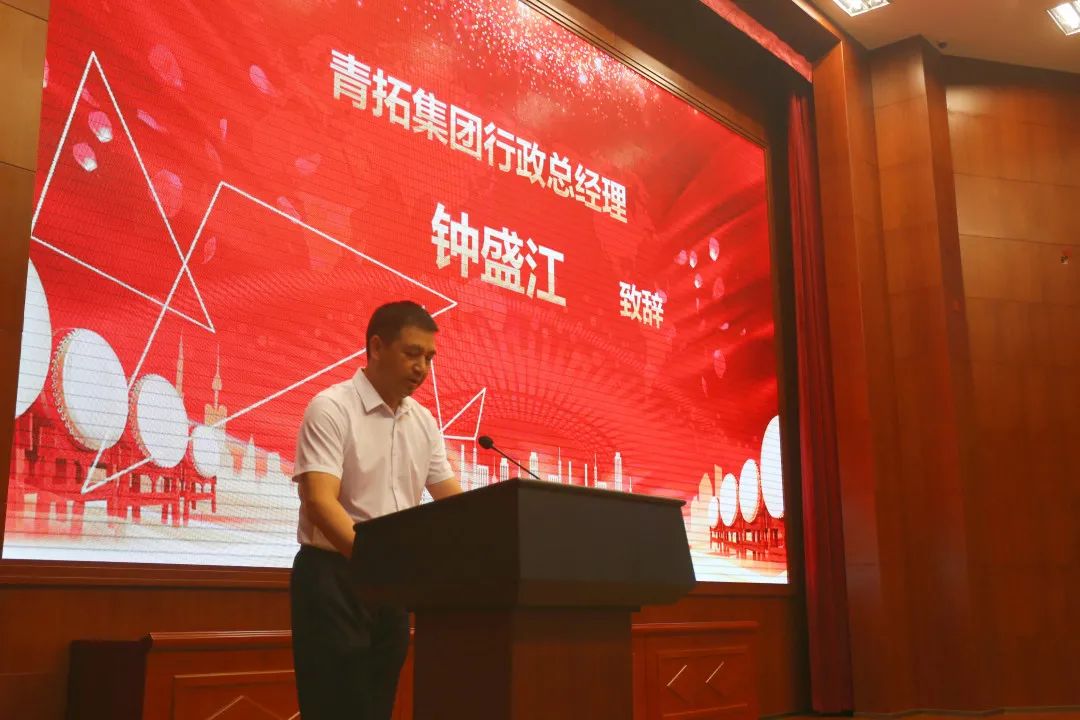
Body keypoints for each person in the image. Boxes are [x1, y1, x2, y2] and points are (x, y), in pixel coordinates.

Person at [289, 300, 463, 719]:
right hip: (333, 578)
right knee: (334, 708)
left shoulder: (423, 422)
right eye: (412, 353)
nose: (422, 368)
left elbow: (455, 504)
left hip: (392, 586)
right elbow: (320, 501)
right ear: (376, 347)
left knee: (376, 707)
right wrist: (377, 565)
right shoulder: (332, 408)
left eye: (429, 358)